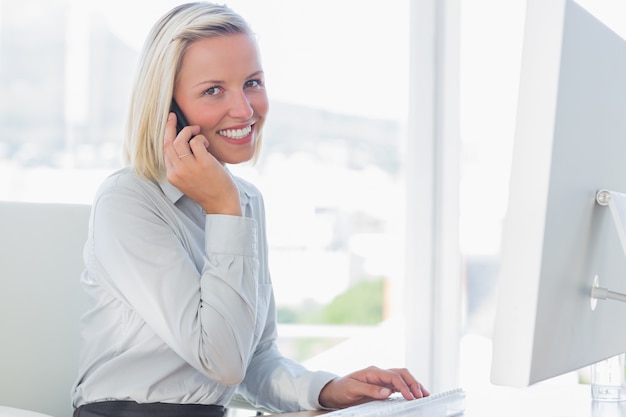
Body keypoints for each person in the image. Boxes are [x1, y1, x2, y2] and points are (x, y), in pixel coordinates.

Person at [71, 2, 429, 416]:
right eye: (213, 90)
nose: (244, 109)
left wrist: (326, 389)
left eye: (253, 83)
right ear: (168, 108)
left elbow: (251, 357)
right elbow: (221, 360)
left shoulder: (243, 201)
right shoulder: (128, 201)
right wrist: (225, 210)